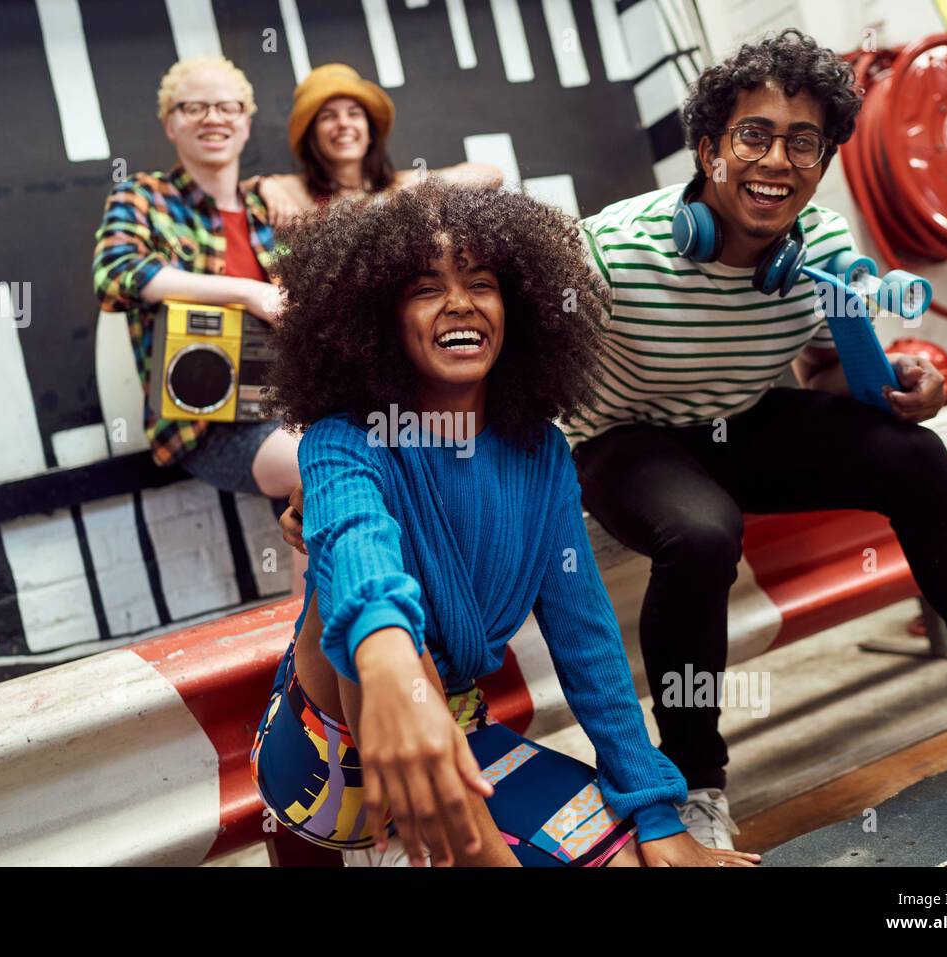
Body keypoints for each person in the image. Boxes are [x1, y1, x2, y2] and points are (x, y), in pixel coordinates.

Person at [567, 29, 947, 847]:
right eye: (753, 135)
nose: (777, 161)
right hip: (626, 437)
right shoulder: (611, 251)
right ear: (709, 148)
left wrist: (910, 387)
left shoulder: (825, 250)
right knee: (700, 531)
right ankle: (694, 784)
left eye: (804, 143)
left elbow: (833, 379)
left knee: (914, 455)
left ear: (825, 160)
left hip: (744, 419)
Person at [250, 180, 760, 867]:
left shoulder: (541, 452)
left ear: (517, 307)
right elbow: (358, 553)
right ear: (380, 322)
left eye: (481, 282)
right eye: (426, 287)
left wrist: (653, 808)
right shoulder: (344, 439)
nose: (460, 301)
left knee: (640, 858)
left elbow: (587, 638)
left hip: (457, 731)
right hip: (329, 754)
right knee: (375, 594)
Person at [92, 55, 304, 589]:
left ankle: (330, 653)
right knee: (325, 464)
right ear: (170, 122)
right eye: (195, 107)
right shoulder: (143, 196)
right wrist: (249, 293)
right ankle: (328, 655)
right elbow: (116, 275)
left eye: (227, 106)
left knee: (354, 464)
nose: (213, 117)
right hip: (212, 427)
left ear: (246, 121)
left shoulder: (268, 205)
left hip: (295, 407)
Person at [252, 63, 502, 224]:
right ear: (312, 135)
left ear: (370, 132)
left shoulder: (399, 185)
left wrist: (412, 192)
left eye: (354, 114)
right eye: (328, 116)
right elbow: (229, 193)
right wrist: (262, 184)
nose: (343, 124)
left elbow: (491, 175)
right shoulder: (294, 190)